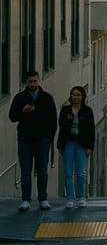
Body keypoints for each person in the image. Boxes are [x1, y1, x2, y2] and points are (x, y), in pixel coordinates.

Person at [8, 70, 58, 211]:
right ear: (26, 82)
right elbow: (12, 117)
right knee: (25, 171)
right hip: (25, 140)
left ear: (39, 80)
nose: (32, 84)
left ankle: (43, 199)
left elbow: (53, 119)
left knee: (43, 171)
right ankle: (25, 200)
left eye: (35, 81)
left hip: (43, 140)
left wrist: (49, 137)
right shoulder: (20, 98)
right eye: (30, 82)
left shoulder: (46, 98)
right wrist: (23, 112)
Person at [56, 86, 95, 208]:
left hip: (82, 145)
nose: (76, 97)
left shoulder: (87, 111)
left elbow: (91, 130)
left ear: (82, 97)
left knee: (82, 172)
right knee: (68, 172)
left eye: (78, 95)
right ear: (70, 96)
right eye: (73, 95)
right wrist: (68, 120)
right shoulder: (66, 110)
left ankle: (82, 196)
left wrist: (90, 147)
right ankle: (70, 198)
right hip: (68, 143)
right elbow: (61, 124)